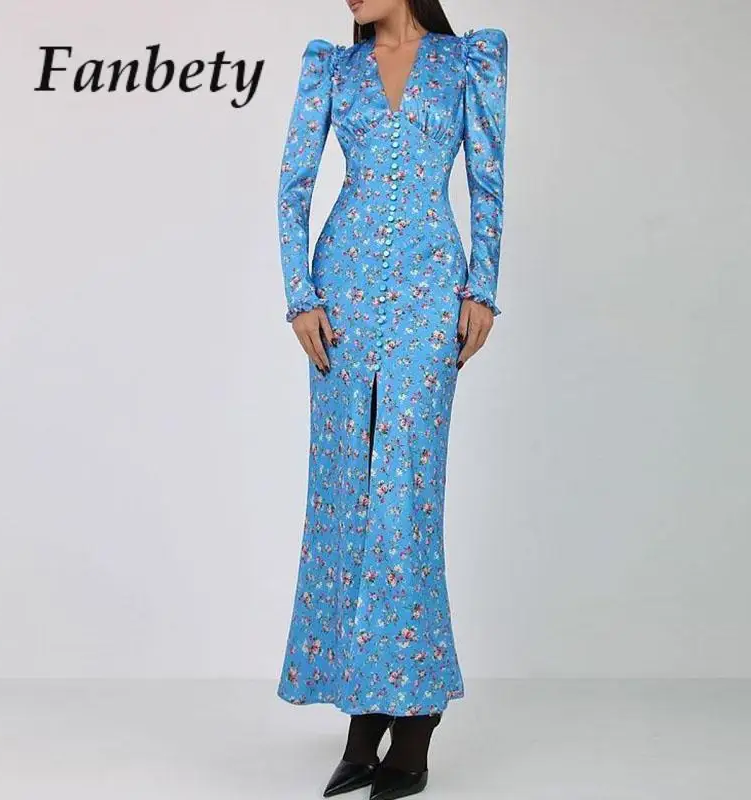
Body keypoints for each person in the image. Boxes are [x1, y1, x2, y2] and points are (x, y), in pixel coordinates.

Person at [275, 0, 508, 797]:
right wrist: (300, 296)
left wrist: (483, 287)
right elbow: (293, 186)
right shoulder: (332, 68)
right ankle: (365, 707)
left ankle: (415, 714)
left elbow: (488, 180)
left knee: (405, 496)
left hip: (430, 292)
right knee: (346, 497)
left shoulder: (467, 62)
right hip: (340, 294)